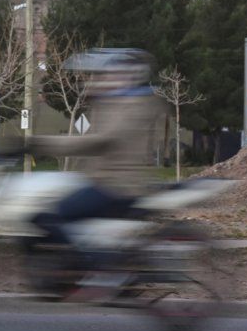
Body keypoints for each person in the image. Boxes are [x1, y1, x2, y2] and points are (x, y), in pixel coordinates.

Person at [26, 48, 164, 245]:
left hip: (117, 187)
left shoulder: (131, 106)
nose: (95, 80)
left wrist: (39, 144)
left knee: (52, 216)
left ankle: (96, 266)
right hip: (101, 182)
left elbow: (100, 141)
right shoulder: (111, 104)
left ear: (126, 77)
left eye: (106, 75)